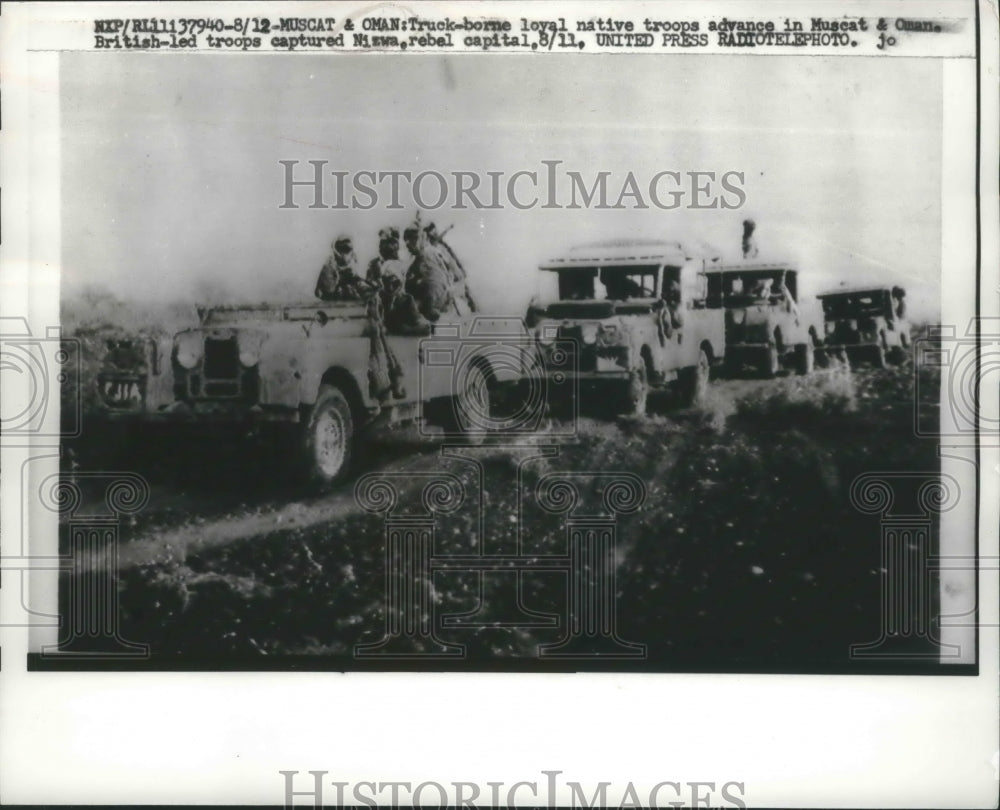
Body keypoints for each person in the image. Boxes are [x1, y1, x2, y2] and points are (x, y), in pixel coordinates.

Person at [403, 223, 454, 322]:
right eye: (407, 240)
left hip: (435, 299)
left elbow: (434, 282)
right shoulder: (430, 252)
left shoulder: (426, 255)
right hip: (443, 296)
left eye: (414, 239)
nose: (408, 243)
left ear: (422, 238)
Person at [315, 235, 368, 301]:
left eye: (347, 249)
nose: (344, 253)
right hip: (332, 300)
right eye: (342, 249)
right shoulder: (329, 265)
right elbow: (329, 290)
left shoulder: (354, 261)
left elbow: (362, 283)